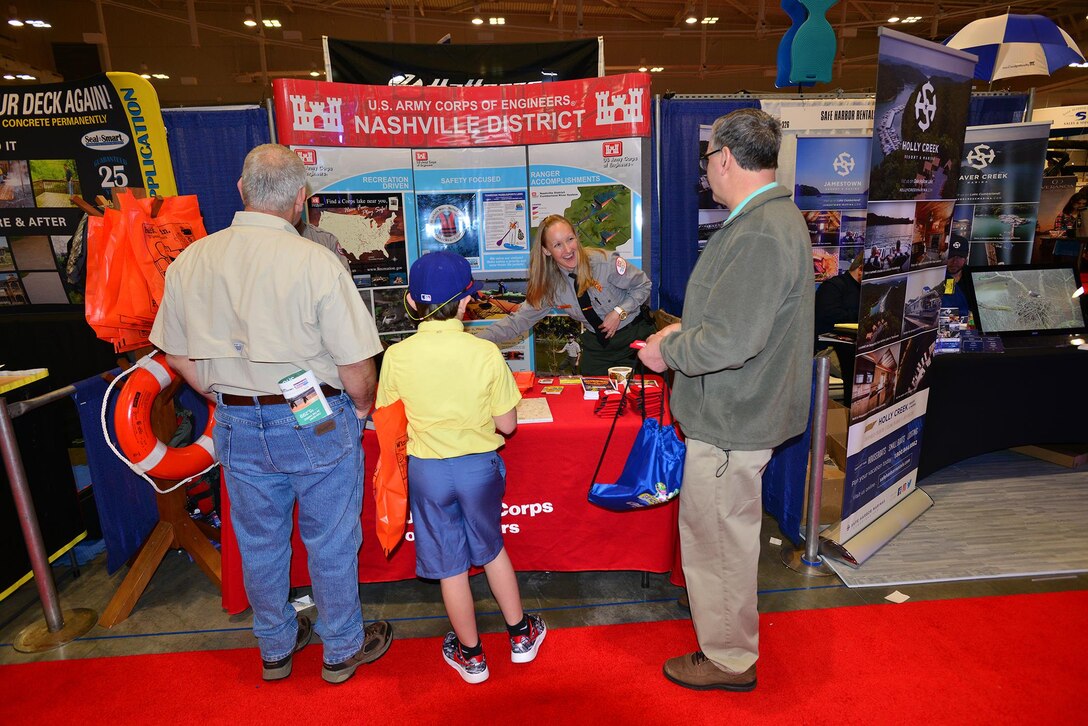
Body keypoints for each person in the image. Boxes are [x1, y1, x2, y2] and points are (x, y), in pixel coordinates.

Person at [149, 143, 393, 684]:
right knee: (330, 537)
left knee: (259, 540)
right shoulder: (315, 262)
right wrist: (358, 409)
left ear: (240, 190)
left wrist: (219, 395)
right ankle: (341, 648)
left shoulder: (193, 260)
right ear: (301, 200)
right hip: (310, 408)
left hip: (237, 416)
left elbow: (174, 350)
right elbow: (355, 362)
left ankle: (276, 647)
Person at [637, 108, 814, 692]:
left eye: (709, 158)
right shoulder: (764, 220)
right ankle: (727, 641)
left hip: (733, 416)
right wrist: (678, 334)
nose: (707, 169)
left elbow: (735, 340)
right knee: (723, 534)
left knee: (718, 541)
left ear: (728, 160)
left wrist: (671, 354)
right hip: (737, 408)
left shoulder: (761, 229)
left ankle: (729, 657)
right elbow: (731, 318)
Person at [375, 251, 547, 685]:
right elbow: (507, 425)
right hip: (479, 469)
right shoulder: (484, 353)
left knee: (450, 564)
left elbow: (388, 419)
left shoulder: (396, 356)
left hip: (428, 471)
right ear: (467, 304)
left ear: (412, 304)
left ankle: (471, 656)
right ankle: (521, 635)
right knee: (491, 549)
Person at [475, 214, 654, 375]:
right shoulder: (550, 286)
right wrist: (470, 341)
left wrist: (619, 312)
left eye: (570, 239)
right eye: (558, 245)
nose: (568, 250)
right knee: (591, 401)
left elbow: (643, 285)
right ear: (546, 250)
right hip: (599, 347)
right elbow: (517, 322)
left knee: (641, 401)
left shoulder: (604, 263)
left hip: (634, 339)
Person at [814, 252, 863, 401]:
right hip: (828, 348)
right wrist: (861, 315)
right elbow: (829, 315)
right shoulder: (833, 287)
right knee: (855, 368)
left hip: (854, 346)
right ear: (860, 269)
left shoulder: (865, 290)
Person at [942, 234, 971, 317]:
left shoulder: (972, 277)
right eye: (951, 256)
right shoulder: (938, 278)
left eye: (959, 257)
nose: (954, 262)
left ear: (965, 258)